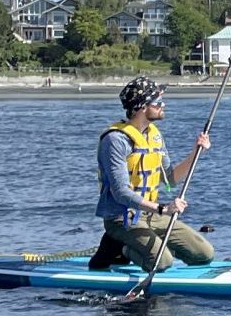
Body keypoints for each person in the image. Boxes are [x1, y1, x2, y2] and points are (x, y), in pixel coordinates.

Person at [90, 76, 217, 271]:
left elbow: (170, 179)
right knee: (162, 262)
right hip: (121, 217)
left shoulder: (154, 136)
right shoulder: (115, 140)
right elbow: (121, 193)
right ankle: (119, 248)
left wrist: (195, 153)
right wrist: (163, 209)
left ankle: (149, 245)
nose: (163, 105)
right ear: (142, 107)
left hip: (151, 214)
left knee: (204, 254)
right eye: (157, 102)